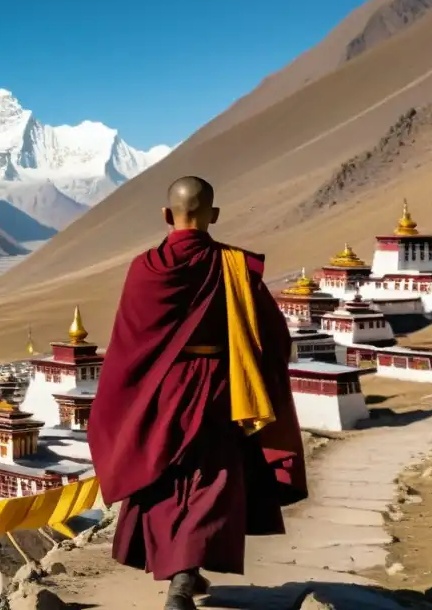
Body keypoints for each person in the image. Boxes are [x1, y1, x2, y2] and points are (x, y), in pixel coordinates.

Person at [86, 176, 307, 610]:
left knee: (167, 473)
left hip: (162, 387)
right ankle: (187, 574)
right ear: (215, 215)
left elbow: (130, 341)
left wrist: (123, 398)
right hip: (221, 387)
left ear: (167, 216)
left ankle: (182, 578)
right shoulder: (234, 266)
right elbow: (274, 334)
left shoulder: (145, 268)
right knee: (211, 475)